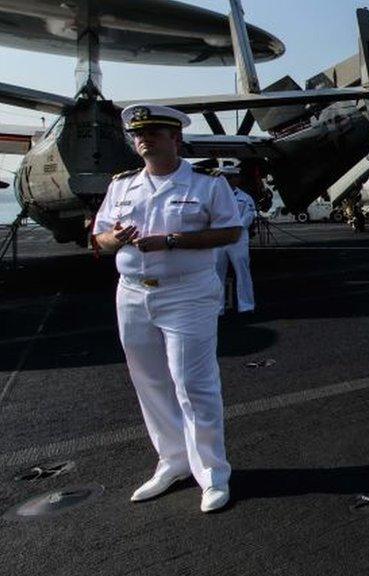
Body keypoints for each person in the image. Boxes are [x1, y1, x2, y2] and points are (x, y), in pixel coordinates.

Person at [92, 104, 242, 513]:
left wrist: (171, 241)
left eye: (154, 132)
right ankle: (173, 460)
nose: (144, 138)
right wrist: (115, 239)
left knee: (194, 384)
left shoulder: (207, 184)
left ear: (175, 138)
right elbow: (98, 239)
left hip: (187, 293)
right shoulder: (122, 186)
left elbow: (230, 230)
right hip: (133, 292)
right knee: (150, 382)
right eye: (139, 133)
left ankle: (212, 473)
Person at [215, 165, 256, 314]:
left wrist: (236, 228)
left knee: (242, 272)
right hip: (219, 238)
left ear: (237, 179)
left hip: (238, 239)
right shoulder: (214, 196)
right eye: (225, 177)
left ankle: (246, 305)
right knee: (217, 273)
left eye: (231, 177)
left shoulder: (245, 198)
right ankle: (218, 307)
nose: (228, 179)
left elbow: (249, 216)